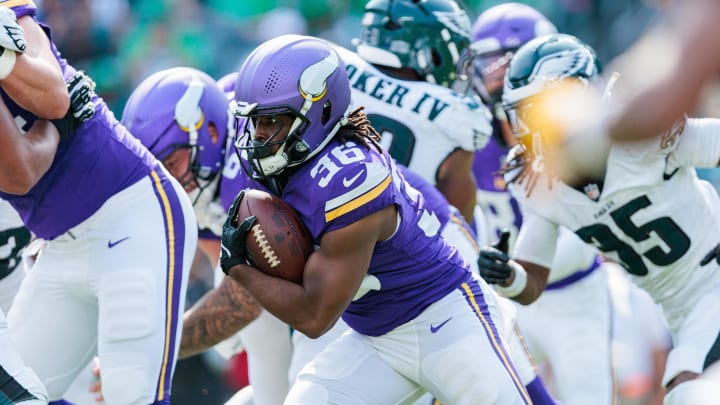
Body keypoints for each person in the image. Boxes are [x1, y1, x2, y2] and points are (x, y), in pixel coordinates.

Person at [222, 33, 530, 404]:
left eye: (272, 121)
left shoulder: (350, 178)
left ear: (320, 111)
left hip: (445, 321)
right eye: (254, 121)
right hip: (374, 338)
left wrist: (239, 268)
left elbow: (314, 316)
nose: (259, 135)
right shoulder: (287, 162)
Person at [478, 32, 720, 405]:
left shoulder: (641, 137)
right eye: (521, 116)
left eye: (537, 112)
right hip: (676, 309)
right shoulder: (536, 181)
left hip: (713, 280)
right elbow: (534, 277)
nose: (528, 132)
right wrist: (507, 276)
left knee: (688, 393)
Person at [0, 3, 198, 404]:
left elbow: (54, 96)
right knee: (20, 392)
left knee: (130, 395)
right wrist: (56, 128)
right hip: (61, 245)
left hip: (128, 212)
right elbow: (22, 168)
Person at [462, 4, 616, 404]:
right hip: (502, 298)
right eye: (487, 64)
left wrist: (513, 269)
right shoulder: (468, 131)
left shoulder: (575, 133)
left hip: (573, 296)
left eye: (504, 62)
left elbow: (582, 235)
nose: (494, 76)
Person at [121, 66, 292, 405]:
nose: (168, 178)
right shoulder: (202, 169)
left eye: (171, 162)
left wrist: (152, 351)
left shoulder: (246, 167)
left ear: (211, 132)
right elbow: (222, 254)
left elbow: (242, 302)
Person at [343, 0, 492, 223]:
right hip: (399, 247)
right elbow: (457, 225)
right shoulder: (457, 114)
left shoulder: (335, 66)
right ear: (427, 47)